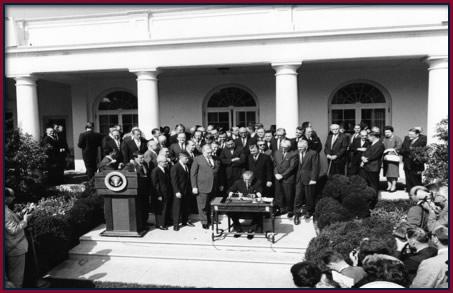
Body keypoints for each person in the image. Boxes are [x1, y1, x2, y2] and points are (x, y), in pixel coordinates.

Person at [191, 144, 222, 229]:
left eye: (211, 152)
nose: (210, 154)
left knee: (212, 204)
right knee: (203, 205)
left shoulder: (215, 159)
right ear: (203, 151)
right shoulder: (197, 159)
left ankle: (212, 219)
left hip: (214, 186)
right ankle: (204, 222)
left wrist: (220, 184)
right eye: (208, 152)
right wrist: (194, 186)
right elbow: (193, 174)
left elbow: (219, 173)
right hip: (202, 186)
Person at [5, 188, 32, 288]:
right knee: (17, 278)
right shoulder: (5, 212)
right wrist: (25, 220)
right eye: (12, 196)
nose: (14, 198)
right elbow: (14, 230)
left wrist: (21, 214)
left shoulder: (6, 209)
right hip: (15, 249)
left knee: (15, 276)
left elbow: (10, 222)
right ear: (5, 198)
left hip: (14, 248)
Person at [227, 171, 263, 239]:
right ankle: (238, 228)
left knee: (259, 212)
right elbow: (230, 190)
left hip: (252, 207)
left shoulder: (257, 182)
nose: (246, 181)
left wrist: (257, 194)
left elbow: (259, 192)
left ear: (252, 178)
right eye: (245, 179)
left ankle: (251, 229)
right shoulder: (238, 182)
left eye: (249, 180)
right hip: (240, 206)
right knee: (229, 211)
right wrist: (233, 194)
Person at [294, 140, 319, 222]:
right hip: (298, 178)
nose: (299, 149)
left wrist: (313, 179)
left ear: (306, 147)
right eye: (298, 147)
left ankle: (309, 211)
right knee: (298, 196)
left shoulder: (313, 153)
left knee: (309, 196)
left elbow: (315, 167)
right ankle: (297, 214)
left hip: (308, 178)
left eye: (301, 148)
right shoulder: (296, 153)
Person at [170, 152, 195, 231]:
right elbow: (174, 180)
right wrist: (177, 191)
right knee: (177, 208)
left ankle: (185, 221)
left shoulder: (186, 166)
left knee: (185, 206)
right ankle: (176, 225)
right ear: (181, 158)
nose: (187, 160)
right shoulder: (175, 167)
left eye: (188, 158)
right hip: (179, 191)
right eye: (186, 158)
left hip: (186, 190)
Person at [273, 139, 298, 217]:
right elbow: (275, 164)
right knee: (279, 194)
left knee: (289, 195)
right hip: (278, 177)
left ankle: (290, 210)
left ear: (289, 147)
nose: (283, 149)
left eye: (285, 147)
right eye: (282, 147)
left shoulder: (293, 154)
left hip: (288, 178)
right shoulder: (277, 152)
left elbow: (292, 167)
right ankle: (281, 209)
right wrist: (276, 174)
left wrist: (282, 175)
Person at [359, 131, 385, 198]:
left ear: (373, 136)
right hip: (367, 166)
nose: (368, 138)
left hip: (374, 167)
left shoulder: (380, 145)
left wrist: (366, 159)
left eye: (369, 136)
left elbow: (376, 155)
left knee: (373, 184)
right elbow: (365, 152)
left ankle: (374, 198)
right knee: (367, 183)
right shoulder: (370, 144)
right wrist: (362, 157)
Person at [400, 128, 427, 192]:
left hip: (416, 165)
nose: (409, 135)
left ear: (417, 134)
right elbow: (401, 150)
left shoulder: (421, 141)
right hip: (407, 163)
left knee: (416, 180)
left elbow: (416, 151)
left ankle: (418, 193)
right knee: (408, 180)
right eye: (409, 134)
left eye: (411, 134)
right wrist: (407, 151)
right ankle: (410, 193)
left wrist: (407, 151)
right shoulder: (407, 140)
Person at [151, 154, 173, 230]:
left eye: (166, 162)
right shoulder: (155, 171)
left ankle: (164, 222)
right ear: (159, 162)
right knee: (160, 209)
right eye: (164, 162)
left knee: (165, 208)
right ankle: (160, 224)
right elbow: (155, 184)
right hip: (160, 193)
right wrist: (158, 194)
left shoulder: (165, 169)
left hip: (166, 192)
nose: (166, 163)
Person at [382, 126, 402, 192]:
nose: (387, 133)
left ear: (392, 132)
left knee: (393, 173)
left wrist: (392, 151)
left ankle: (394, 185)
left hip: (393, 158)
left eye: (388, 132)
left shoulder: (397, 138)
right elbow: (382, 146)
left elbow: (399, 146)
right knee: (387, 172)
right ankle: (389, 185)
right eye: (385, 132)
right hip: (386, 157)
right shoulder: (384, 139)